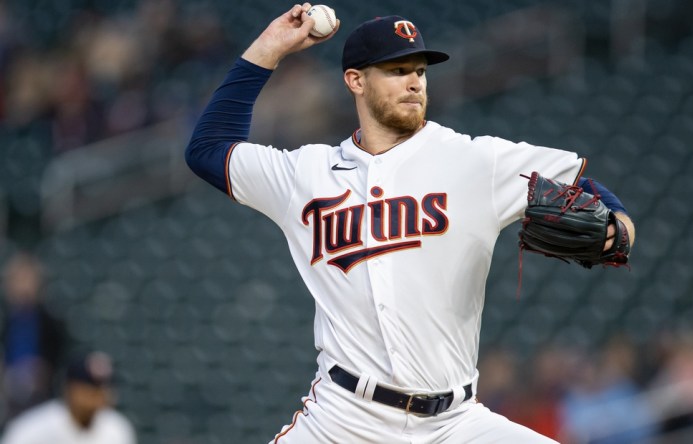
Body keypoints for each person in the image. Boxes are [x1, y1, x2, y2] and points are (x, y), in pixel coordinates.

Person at [185, 4, 636, 443]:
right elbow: (207, 149)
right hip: (344, 419)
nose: (414, 82)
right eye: (397, 71)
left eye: (420, 70)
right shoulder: (305, 174)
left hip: (455, 423)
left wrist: (621, 227)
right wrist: (270, 47)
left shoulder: (474, 160)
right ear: (355, 81)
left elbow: (584, 185)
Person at [0, 351, 136, 444]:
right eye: (90, 389)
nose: (98, 396)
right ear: (69, 389)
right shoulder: (33, 428)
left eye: (102, 389)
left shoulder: (117, 429)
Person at [1, 252, 68, 423]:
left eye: (27, 280)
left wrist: (44, 372)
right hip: (8, 400)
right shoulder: (6, 322)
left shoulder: (52, 323)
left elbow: (60, 363)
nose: (23, 286)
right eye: (18, 280)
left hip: (43, 400)